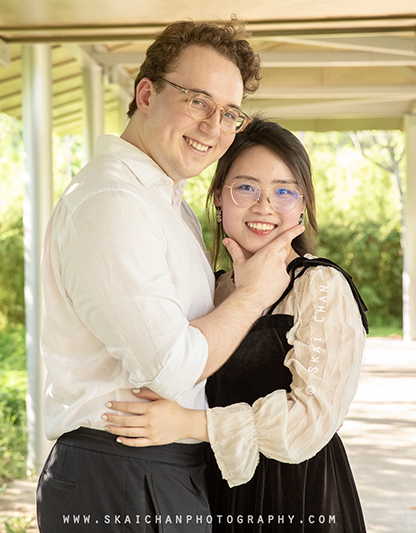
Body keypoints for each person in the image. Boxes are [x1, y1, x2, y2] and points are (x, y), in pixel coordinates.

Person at [36, 20, 306, 533]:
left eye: (229, 112)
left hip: (150, 470)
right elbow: (168, 366)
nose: (214, 127)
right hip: (119, 474)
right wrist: (254, 293)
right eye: (197, 101)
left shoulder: (161, 199)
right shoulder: (113, 202)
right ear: (146, 93)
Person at [104, 119, 370, 532]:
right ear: (219, 198)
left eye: (284, 191)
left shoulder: (319, 285)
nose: (265, 206)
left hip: (298, 497)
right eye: (246, 188)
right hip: (216, 489)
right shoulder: (211, 288)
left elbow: (309, 421)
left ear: (303, 205)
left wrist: (190, 424)